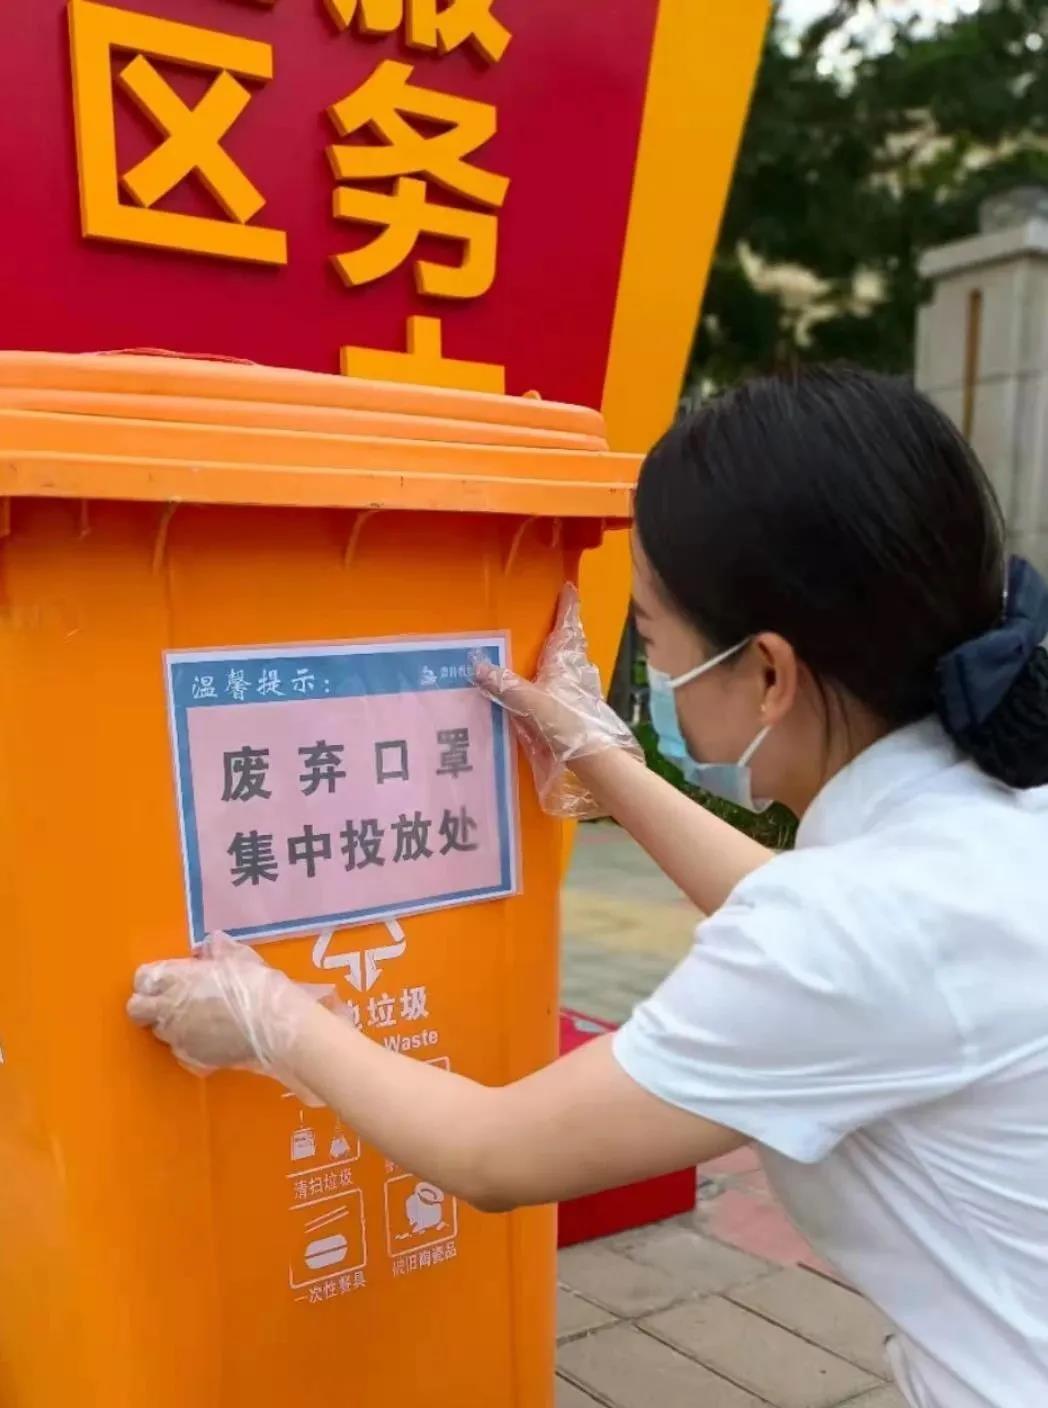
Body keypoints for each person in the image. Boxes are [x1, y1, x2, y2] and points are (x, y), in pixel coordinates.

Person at [129, 367, 1048, 1408]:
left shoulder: (862, 928)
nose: (648, 671)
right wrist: (598, 756)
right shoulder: (987, 821)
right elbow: (823, 931)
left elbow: (494, 1153)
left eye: (649, 641)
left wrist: (271, 1017)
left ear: (768, 673)